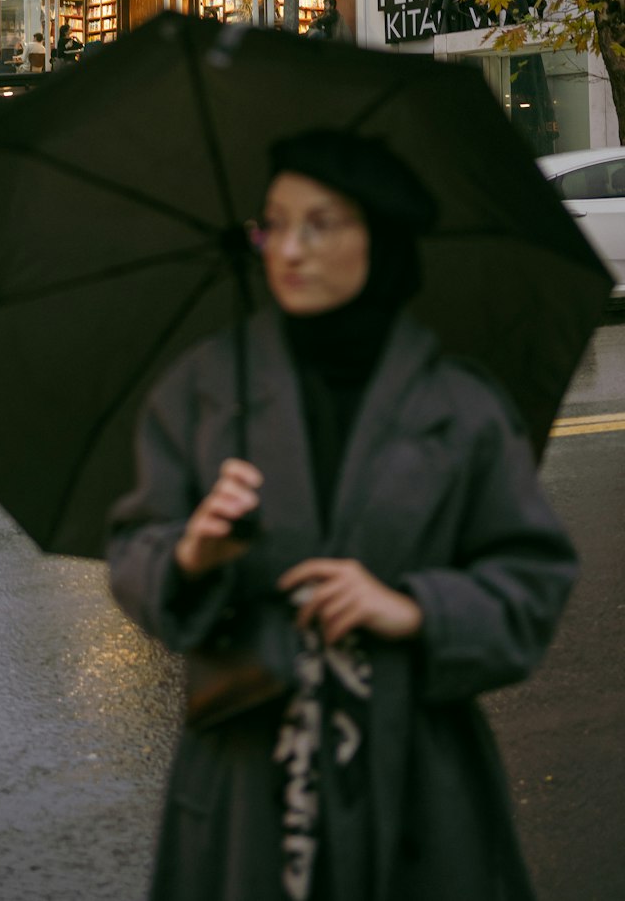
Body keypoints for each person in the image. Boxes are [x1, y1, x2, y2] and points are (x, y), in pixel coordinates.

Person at [107, 130, 577, 901]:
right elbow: (135, 546)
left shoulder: (461, 406)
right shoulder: (201, 391)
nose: (288, 249)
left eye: (319, 224)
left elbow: (530, 580)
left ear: (380, 240)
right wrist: (190, 555)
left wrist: (415, 608)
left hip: (420, 779)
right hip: (246, 783)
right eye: (273, 223)